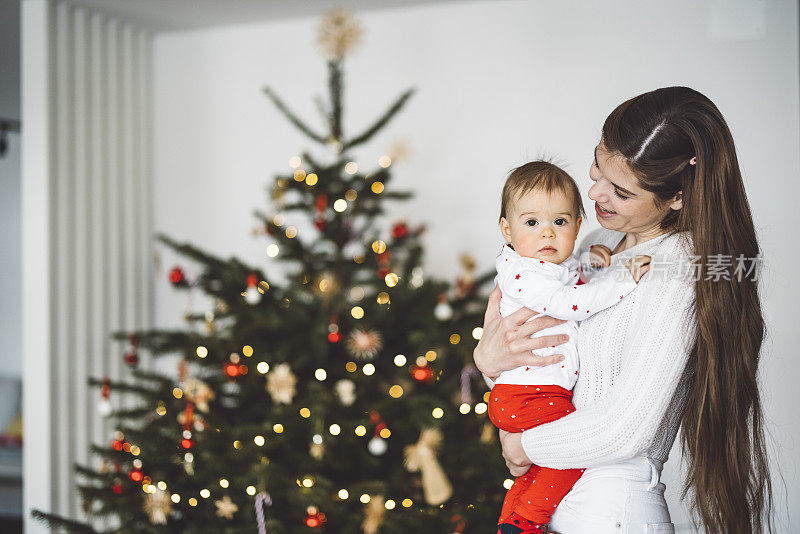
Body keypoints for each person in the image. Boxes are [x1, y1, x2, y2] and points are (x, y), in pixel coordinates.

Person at [473, 87, 773, 534]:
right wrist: (488, 363)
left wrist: (522, 445)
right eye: (598, 164)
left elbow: (623, 430)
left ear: (677, 197)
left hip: (609, 513)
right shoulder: (601, 240)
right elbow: (544, 351)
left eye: (621, 191)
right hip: (559, 503)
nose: (593, 192)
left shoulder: (679, 274)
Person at [488, 161, 651, 534]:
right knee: (569, 453)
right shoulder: (523, 274)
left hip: (528, 392)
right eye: (531, 223)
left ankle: (511, 520)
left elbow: (573, 280)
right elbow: (571, 304)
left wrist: (593, 265)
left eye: (559, 222)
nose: (546, 232)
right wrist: (622, 279)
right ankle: (527, 520)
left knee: (547, 462)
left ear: (577, 226)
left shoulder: (549, 267)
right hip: (528, 395)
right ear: (507, 230)